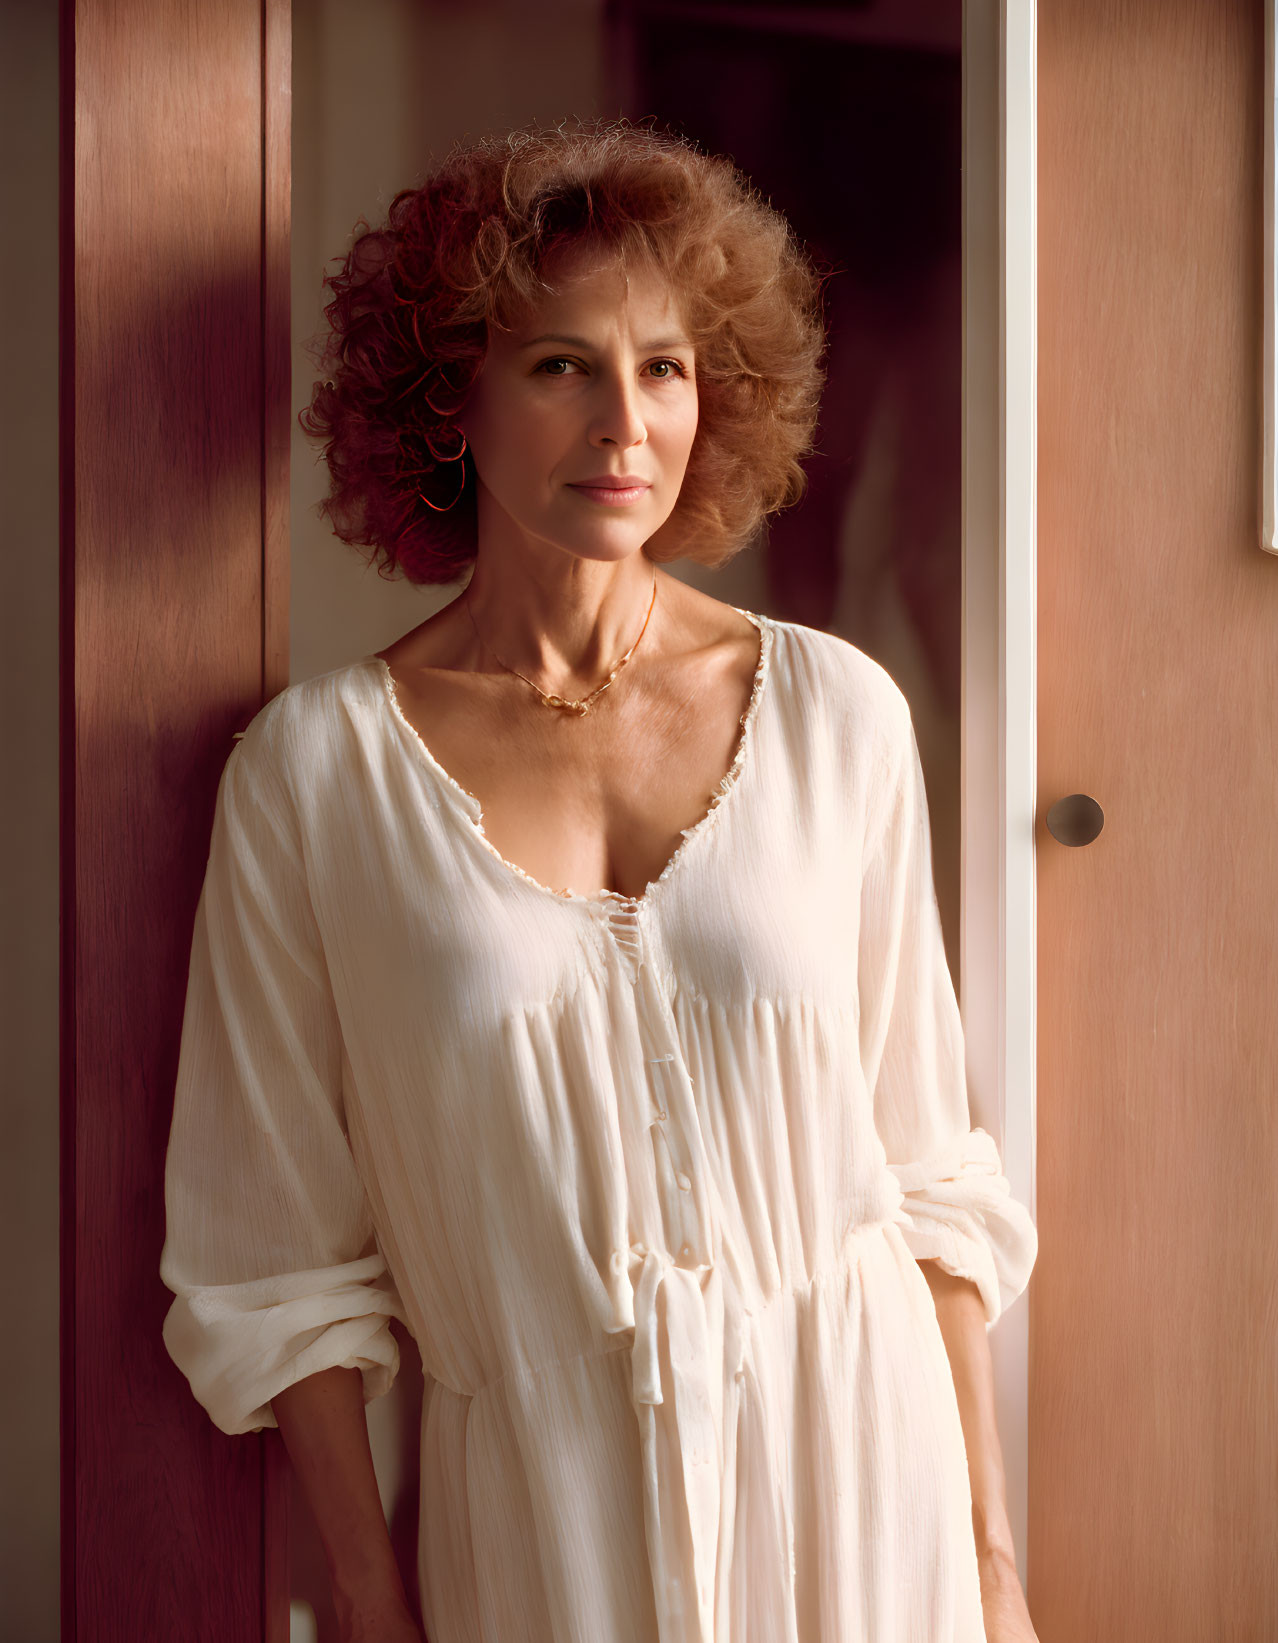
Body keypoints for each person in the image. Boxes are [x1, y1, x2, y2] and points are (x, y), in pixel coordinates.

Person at [159, 117, 1040, 1643]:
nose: (622, 424)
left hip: (865, 1494)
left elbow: (926, 1186)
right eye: (559, 364)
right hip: (541, 1525)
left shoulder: (837, 714)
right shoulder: (314, 778)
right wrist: (370, 1611)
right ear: (449, 397)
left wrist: (987, 1564)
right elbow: (273, 1263)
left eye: (665, 367)